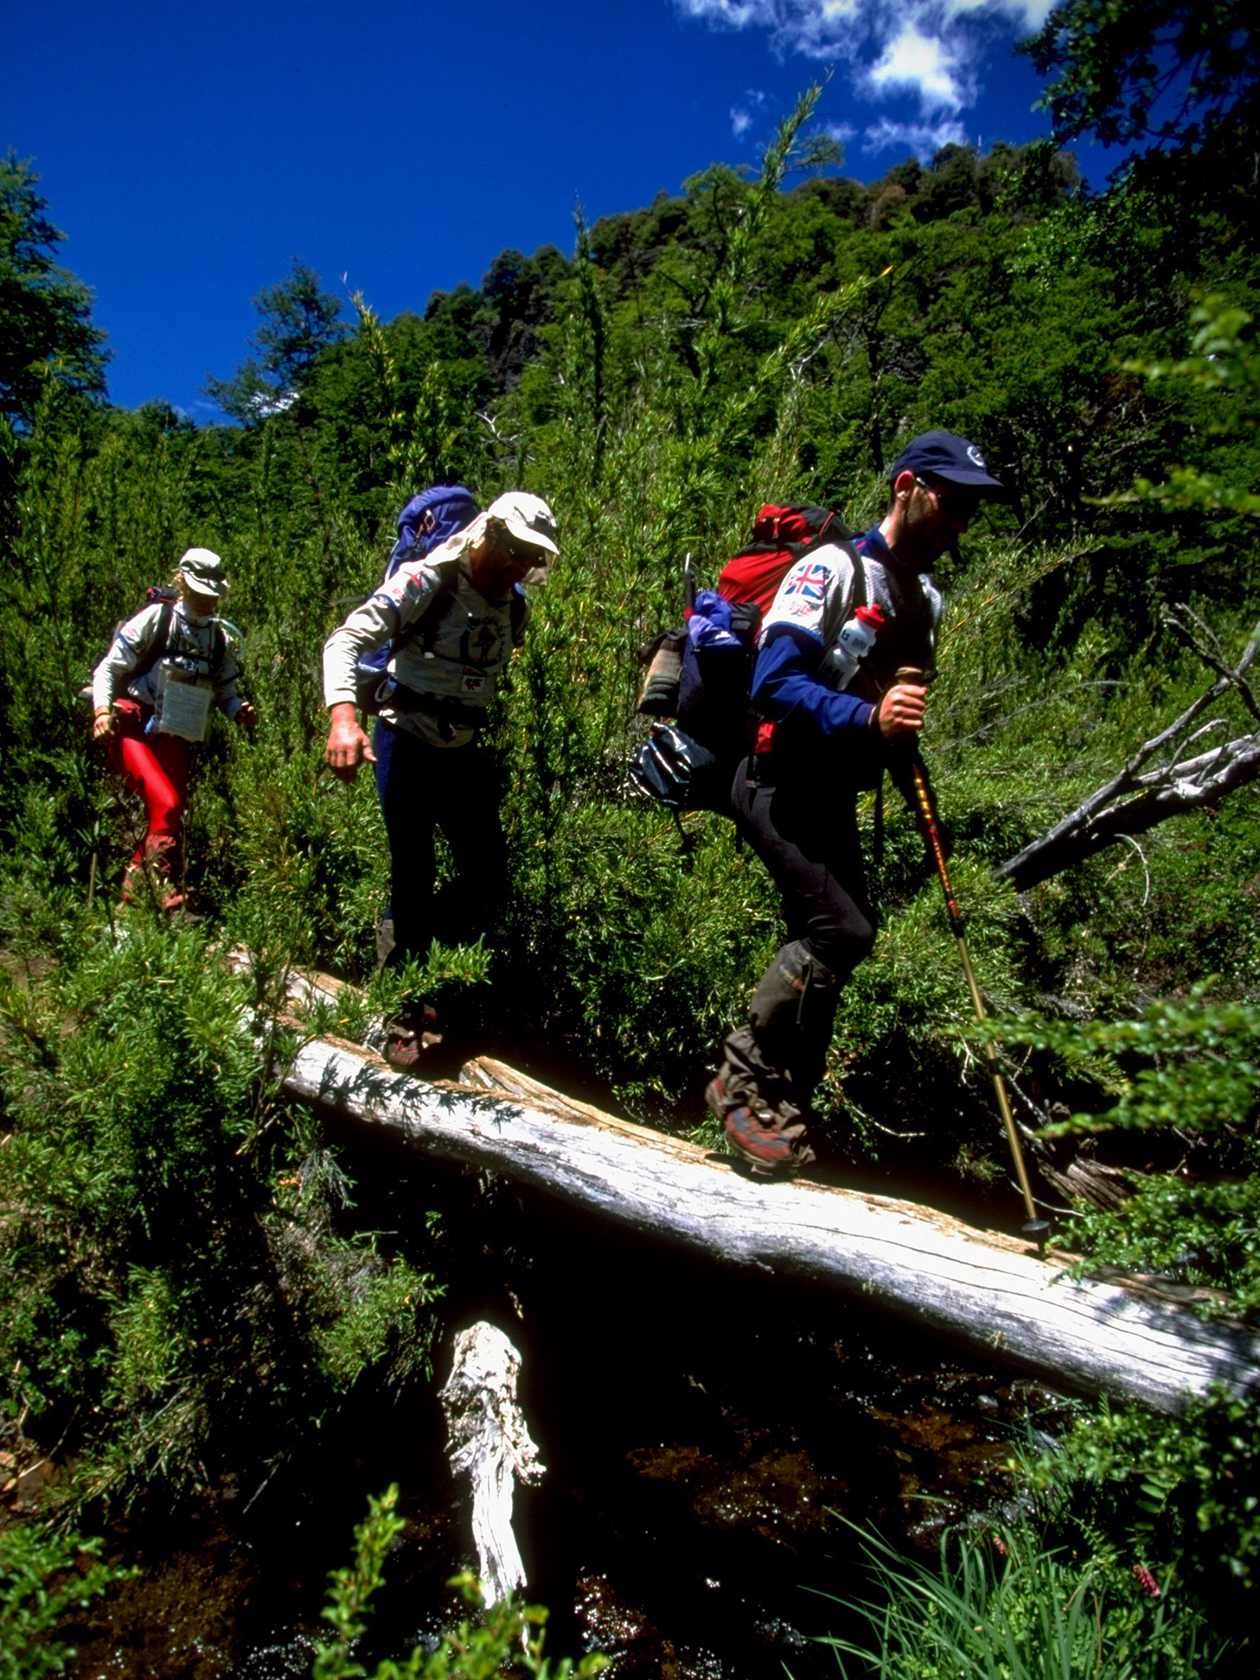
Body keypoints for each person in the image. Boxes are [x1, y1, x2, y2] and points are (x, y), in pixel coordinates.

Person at [705, 432, 1005, 1175]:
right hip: (776, 778)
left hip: (835, 785)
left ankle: (781, 1110)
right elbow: (771, 684)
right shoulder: (832, 569)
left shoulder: (925, 597)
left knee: (838, 939)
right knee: (842, 929)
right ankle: (741, 1090)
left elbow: (894, 705)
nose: (959, 523)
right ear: (907, 486)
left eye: (971, 510)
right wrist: (869, 721)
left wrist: (902, 756)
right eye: (950, 501)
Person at [322, 490, 558, 1068]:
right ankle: (399, 1005)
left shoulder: (514, 604)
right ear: (489, 535)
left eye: (534, 558)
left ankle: (418, 955)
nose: (522, 566)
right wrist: (345, 718)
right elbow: (346, 639)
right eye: (517, 552)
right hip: (405, 743)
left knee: (489, 880)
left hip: (461, 753)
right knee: (415, 870)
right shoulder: (430, 579)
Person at [92, 547, 256, 911]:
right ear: (181, 582)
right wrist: (102, 711)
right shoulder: (156, 619)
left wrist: (238, 710)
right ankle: (166, 895)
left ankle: (136, 897)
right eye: (199, 593)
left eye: (211, 596)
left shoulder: (217, 639)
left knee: (168, 813)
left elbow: (225, 689)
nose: (206, 602)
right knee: (165, 804)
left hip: (178, 731)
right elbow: (108, 669)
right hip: (134, 725)